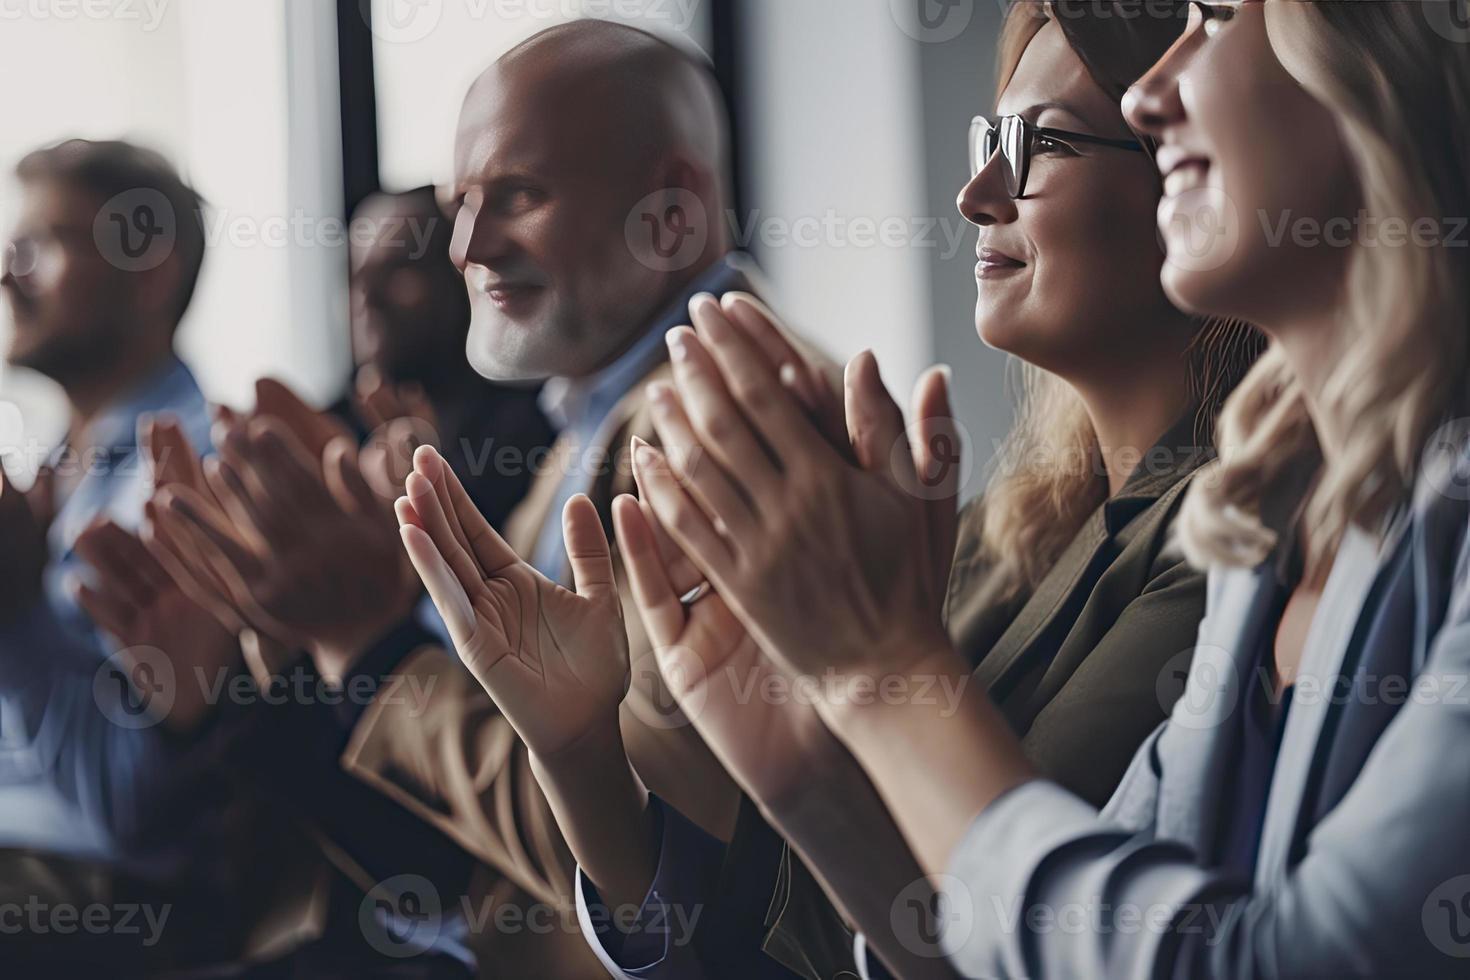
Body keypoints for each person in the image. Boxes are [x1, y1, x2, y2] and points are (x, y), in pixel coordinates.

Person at [399, 3, 1261, 976]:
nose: (978, 190)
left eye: (1042, 144)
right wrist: (579, 751)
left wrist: (378, 655)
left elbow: (1008, 939)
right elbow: (776, 929)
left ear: (1200, 164)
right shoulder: (996, 529)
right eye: (991, 139)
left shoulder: (1236, 544)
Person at [622, 0, 1470, 976]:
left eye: (1224, 16)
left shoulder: (1233, 534)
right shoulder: (1268, 532)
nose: (1155, 93)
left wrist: (876, 669)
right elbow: (1046, 945)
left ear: (1389, 53)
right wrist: (805, 768)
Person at [154, 17, 771, 977]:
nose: (469, 246)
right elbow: (472, 848)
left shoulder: (710, 426)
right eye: (461, 204)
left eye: (518, 194)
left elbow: (654, 881)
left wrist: (366, 640)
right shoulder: (604, 418)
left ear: (675, 209)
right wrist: (295, 639)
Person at [0, 139, 226, 854]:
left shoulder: (195, 481)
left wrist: (15, 616)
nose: (6, 273)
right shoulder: (55, 464)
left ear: (148, 275)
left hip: (85, 883)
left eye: (39, 247)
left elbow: (136, 815)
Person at [347, 185, 553, 531]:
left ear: (458, 279)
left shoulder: (530, 431)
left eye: (398, 274)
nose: (369, 298)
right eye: (358, 279)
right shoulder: (334, 434)